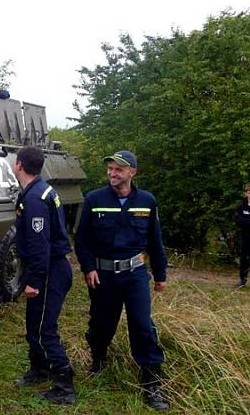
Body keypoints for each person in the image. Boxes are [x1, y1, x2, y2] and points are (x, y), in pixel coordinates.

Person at [74, 151, 170, 411]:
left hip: (135, 274)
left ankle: (151, 381)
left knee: (141, 324)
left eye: (118, 170)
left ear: (132, 173)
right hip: (103, 275)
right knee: (102, 323)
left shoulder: (146, 201)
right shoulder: (94, 199)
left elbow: (155, 241)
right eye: (110, 169)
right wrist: (88, 268)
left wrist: (160, 275)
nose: (112, 173)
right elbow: (82, 240)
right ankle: (99, 358)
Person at [12, 147, 75, 404]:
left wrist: (34, 281)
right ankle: (39, 369)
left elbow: (40, 244)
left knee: (44, 329)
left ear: (18, 165)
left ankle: (64, 385)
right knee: (33, 325)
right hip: (48, 267)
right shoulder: (39, 190)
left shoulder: (36, 198)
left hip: (49, 270)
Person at [233, 183, 250, 288]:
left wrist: (246, 221)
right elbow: (238, 220)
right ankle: (242, 281)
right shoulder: (241, 206)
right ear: (246, 193)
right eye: (249, 192)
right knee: (244, 260)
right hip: (246, 238)